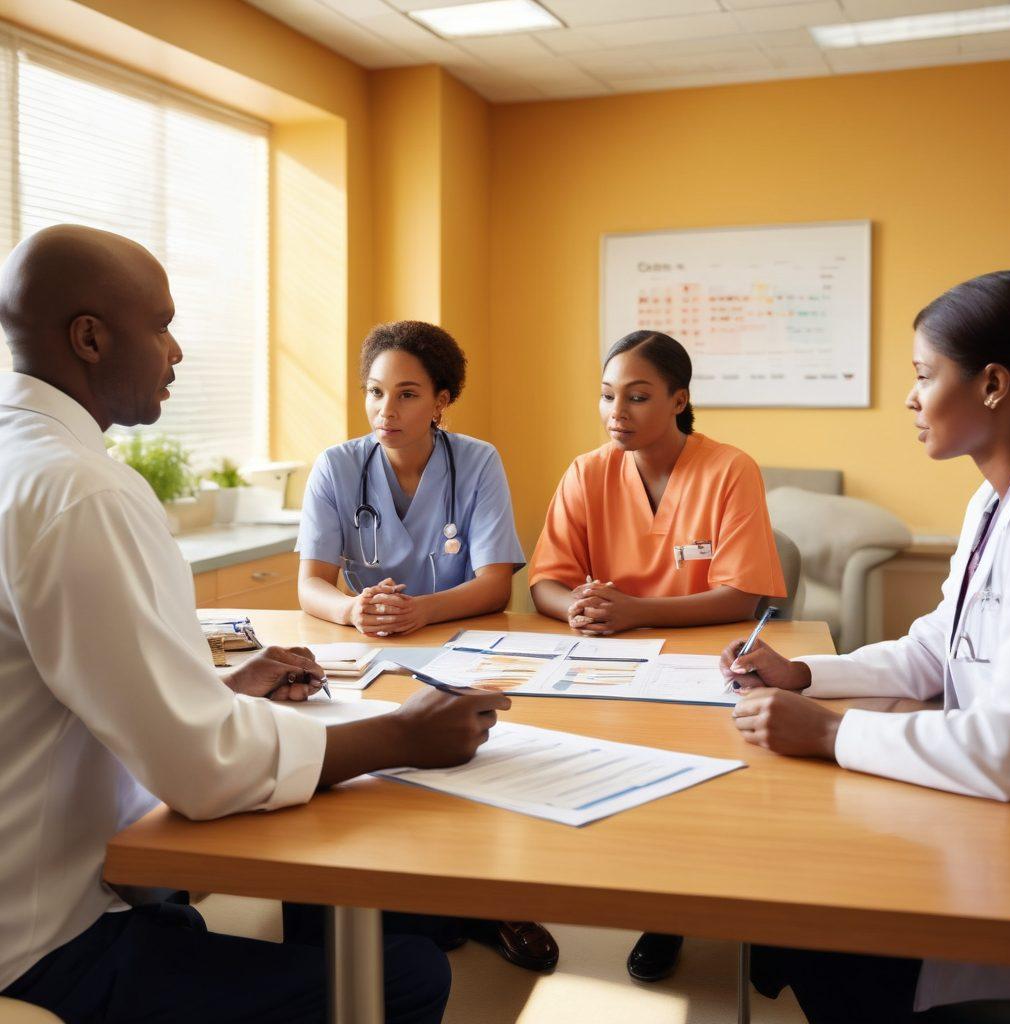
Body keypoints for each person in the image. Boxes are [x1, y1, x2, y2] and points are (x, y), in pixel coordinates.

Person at [0, 224, 511, 1024]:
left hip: (52, 890)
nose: (176, 353)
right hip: (45, 944)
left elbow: (71, 689)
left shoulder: (26, 460)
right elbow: (201, 769)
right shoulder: (83, 491)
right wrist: (402, 736)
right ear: (90, 339)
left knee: (194, 921)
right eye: (161, 326)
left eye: (410, 393)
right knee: (408, 975)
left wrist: (220, 688)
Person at [720, 270, 1010, 1023]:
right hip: (982, 812)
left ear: (992, 385)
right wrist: (802, 673)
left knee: (807, 911)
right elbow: (937, 648)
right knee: (792, 893)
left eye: (924, 375)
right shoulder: (991, 502)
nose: (911, 399)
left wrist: (830, 733)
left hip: (1005, 844)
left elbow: (1008, 749)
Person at [295, 319, 558, 972]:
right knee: (373, 764)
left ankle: (494, 898)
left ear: (442, 400)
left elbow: (495, 583)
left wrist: (420, 611)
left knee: (480, 762)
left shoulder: (476, 461)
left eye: (407, 394)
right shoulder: (337, 466)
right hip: (372, 653)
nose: (386, 410)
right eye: (375, 392)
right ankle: (402, 898)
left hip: (466, 645)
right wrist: (353, 609)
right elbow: (310, 584)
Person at [530, 329, 786, 982]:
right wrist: (578, 609)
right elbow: (546, 581)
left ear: (679, 400)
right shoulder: (587, 472)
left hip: (702, 664)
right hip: (608, 662)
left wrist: (637, 610)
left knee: (696, 783)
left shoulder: (729, 470)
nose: (617, 412)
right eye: (607, 395)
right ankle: (639, 889)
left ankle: (673, 913)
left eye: (638, 397)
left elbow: (744, 594)